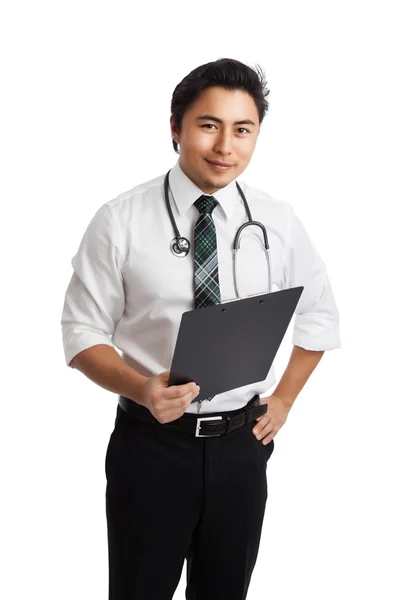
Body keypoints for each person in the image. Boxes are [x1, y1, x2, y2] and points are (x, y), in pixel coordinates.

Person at [61, 57, 341, 600]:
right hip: (152, 448)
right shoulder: (121, 220)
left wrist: (282, 401)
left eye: (243, 130)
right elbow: (81, 332)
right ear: (175, 127)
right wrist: (141, 388)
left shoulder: (276, 220)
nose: (224, 147)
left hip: (242, 449)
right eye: (208, 125)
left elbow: (320, 316)